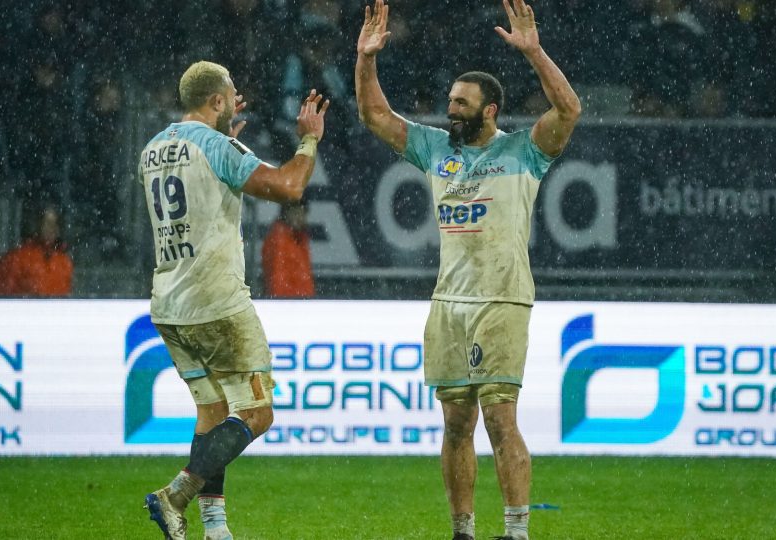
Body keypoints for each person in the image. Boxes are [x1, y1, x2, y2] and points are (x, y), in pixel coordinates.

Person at [355, 1, 581, 539]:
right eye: (450, 101)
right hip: (448, 303)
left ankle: (517, 532)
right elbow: (375, 116)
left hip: (502, 299)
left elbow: (569, 110)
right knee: (456, 424)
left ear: (491, 110)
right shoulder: (436, 148)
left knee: (501, 421)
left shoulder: (524, 152)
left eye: (461, 104)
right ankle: (462, 531)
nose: (450, 110)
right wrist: (366, 61)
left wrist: (533, 52)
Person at [139, 60, 328, 540]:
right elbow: (289, 187)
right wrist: (309, 139)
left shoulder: (153, 147)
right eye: (231, 95)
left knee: (212, 413)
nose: (236, 101)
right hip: (217, 301)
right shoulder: (217, 146)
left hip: (169, 302)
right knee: (257, 413)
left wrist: (229, 141)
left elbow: (199, 178)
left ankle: (215, 529)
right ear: (218, 101)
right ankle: (175, 495)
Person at [0, 203, 73, 297]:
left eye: (55, 223)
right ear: (37, 224)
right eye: (47, 223)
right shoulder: (17, 258)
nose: (51, 228)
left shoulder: (64, 262)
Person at [262, 199, 315, 298]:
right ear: (286, 213)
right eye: (296, 213)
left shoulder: (300, 239)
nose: (300, 217)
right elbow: (277, 279)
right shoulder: (279, 240)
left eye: (302, 213)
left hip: (298, 303)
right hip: (290, 305)